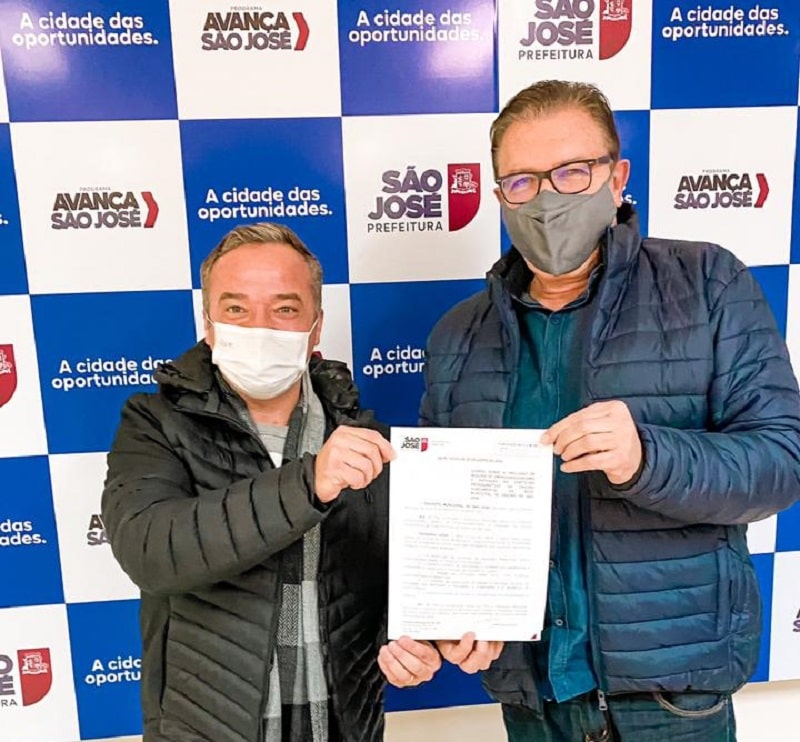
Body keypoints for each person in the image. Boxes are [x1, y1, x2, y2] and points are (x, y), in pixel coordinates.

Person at [422, 80, 800, 741]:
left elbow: (782, 462)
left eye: (573, 172)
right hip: (534, 701)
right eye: (521, 182)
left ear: (618, 177)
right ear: (500, 195)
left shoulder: (708, 283)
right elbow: (441, 519)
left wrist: (648, 457)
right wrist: (449, 617)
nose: (547, 199)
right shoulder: (459, 334)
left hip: (672, 700)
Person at [102, 222, 441, 742]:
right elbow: (148, 550)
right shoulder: (155, 423)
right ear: (209, 323)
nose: (259, 328)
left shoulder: (368, 441)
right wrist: (308, 482)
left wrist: (422, 640)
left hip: (344, 725)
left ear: (316, 326)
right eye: (236, 309)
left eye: (284, 309)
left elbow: (396, 581)